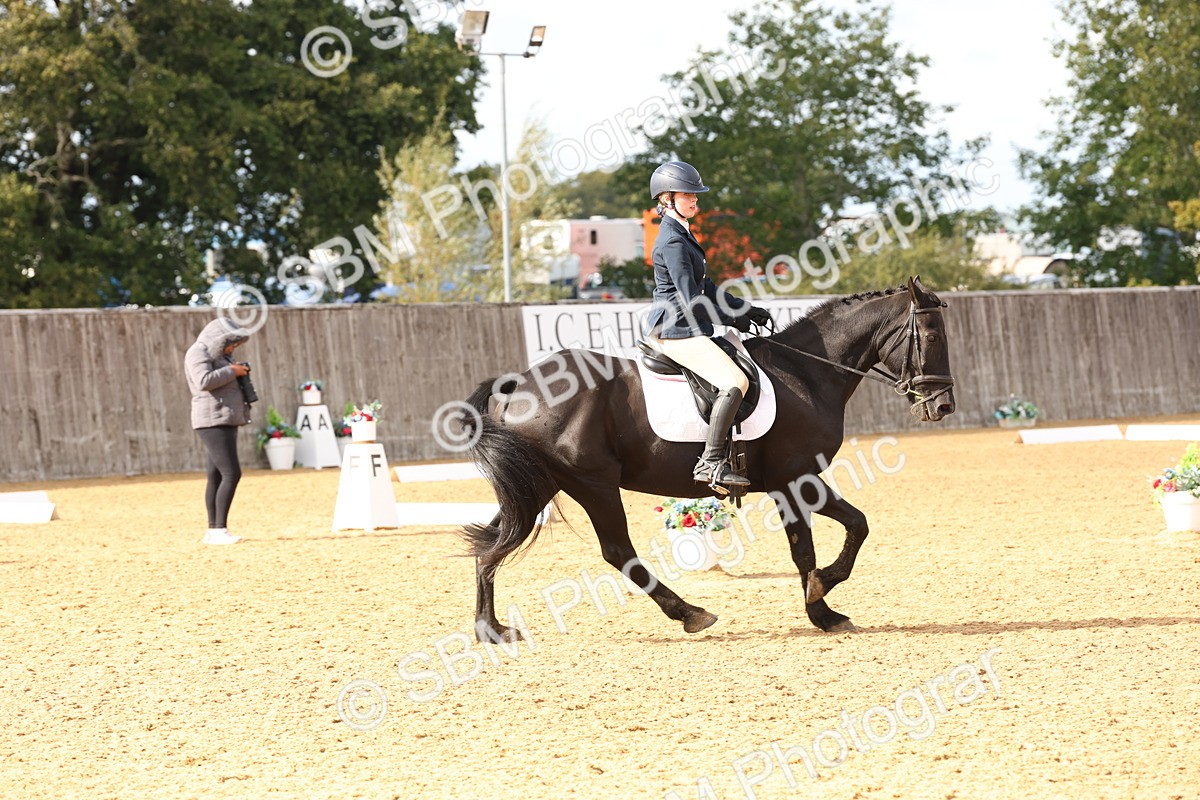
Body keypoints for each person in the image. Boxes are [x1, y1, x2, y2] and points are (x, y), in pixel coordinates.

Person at [642, 160, 773, 489]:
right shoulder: (672, 241)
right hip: (676, 330)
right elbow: (689, 296)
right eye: (689, 196)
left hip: (688, 325)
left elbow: (708, 288)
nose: (695, 201)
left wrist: (746, 310)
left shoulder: (683, 234)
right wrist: (730, 319)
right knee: (734, 381)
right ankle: (710, 462)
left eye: (696, 196)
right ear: (667, 198)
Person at [184, 317, 255, 545]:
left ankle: (214, 530)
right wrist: (233, 372)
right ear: (219, 339)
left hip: (223, 417)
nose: (233, 348)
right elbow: (203, 380)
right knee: (232, 473)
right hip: (211, 419)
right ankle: (218, 529)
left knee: (216, 475)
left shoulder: (220, 356)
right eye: (231, 343)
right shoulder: (198, 352)